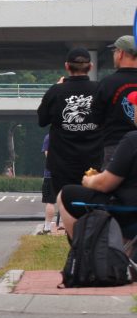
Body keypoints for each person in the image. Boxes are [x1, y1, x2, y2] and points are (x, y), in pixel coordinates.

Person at [57, 90, 137, 240]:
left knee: (65, 194)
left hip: (127, 211)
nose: (133, 110)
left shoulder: (132, 140)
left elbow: (106, 184)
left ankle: (86, 254)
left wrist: (89, 180)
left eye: (135, 107)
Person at [36, 47, 101, 230]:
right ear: (90, 66)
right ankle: (91, 235)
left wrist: (58, 88)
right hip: (94, 160)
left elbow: (42, 120)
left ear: (67, 66)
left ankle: (73, 239)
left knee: (65, 200)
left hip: (62, 162)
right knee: (92, 200)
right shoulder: (100, 90)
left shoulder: (56, 91)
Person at [91, 35, 137, 166]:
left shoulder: (107, 83)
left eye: (114, 51)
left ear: (121, 53)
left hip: (115, 146)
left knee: (112, 185)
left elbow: (95, 118)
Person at [38, 133, 55, 234]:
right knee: (66, 201)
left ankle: (47, 228)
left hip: (51, 174)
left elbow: (47, 155)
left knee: (50, 202)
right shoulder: (69, 135)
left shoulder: (49, 137)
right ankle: (69, 229)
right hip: (67, 173)